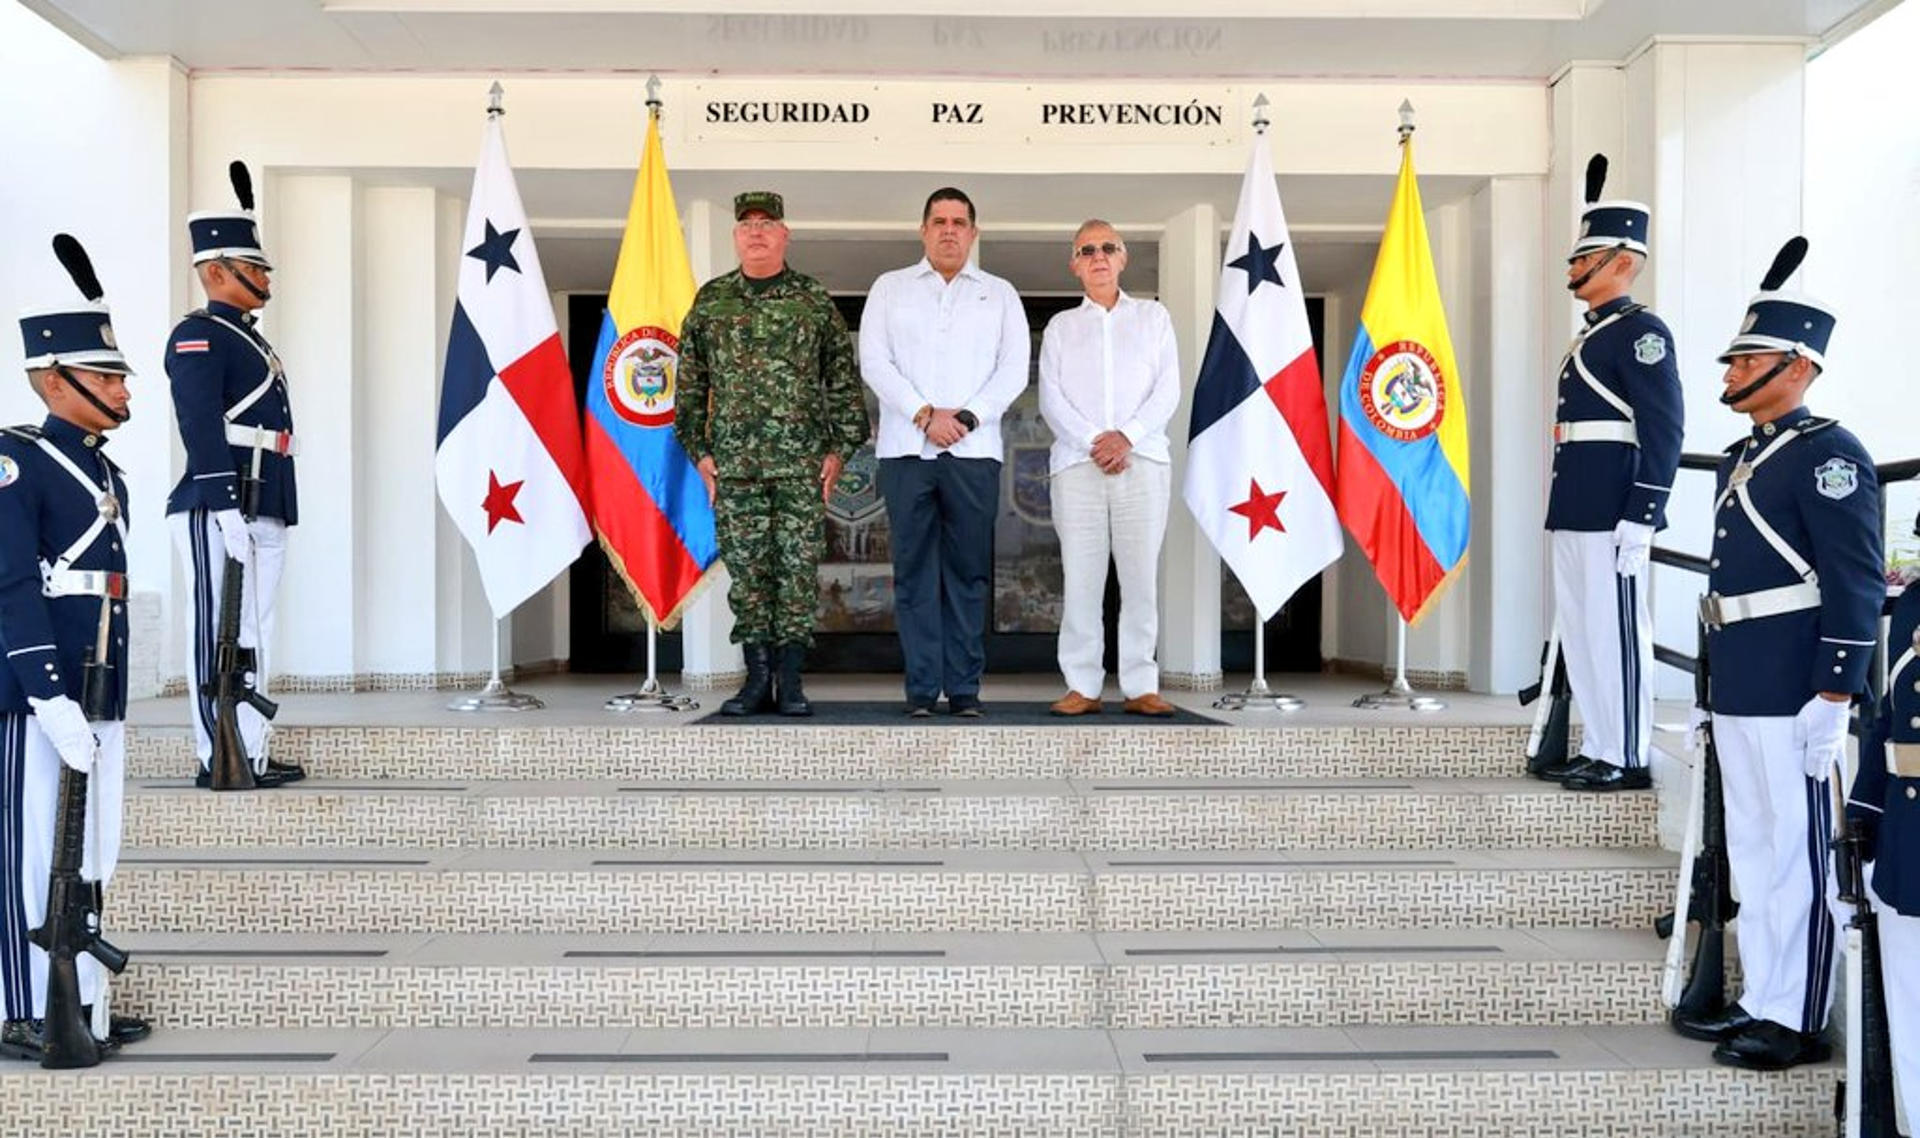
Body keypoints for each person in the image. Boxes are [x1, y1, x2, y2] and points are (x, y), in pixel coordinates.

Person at [1671, 236, 1882, 1071]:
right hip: (1745, 683)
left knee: (1795, 857)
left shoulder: (1829, 454)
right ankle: (1762, 996)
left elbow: (1855, 581)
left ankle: (1794, 1020)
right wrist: (1709, 689)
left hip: (1797, 686)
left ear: (1795, 367)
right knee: (1756, 852)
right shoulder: (1749, 454)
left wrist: (1833, 697)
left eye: (1744, 361)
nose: (1727, 376)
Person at [1, 235, 149, 1061]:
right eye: (109, 376)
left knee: (93, 851)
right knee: (32, 859)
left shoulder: (104, 471)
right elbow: (13, 586)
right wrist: (48, 696)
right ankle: (26, 1010)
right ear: (57, 380)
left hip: (101, 688)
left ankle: (84, 1005)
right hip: (42, 696)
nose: (125, 388)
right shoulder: (16, 461)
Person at [674, 190, 869, 717]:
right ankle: (757, 680)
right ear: (736, 237)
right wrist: (700, 452)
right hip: (736, 470)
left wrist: (838, 449)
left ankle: (792, 681)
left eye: (767, 223)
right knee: (750, 576)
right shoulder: (711, 302)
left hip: (800, 467)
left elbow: (843, 382)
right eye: (747, 225)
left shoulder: (811, 300)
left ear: (785, 235)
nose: (756, 232)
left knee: (797, 575)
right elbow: (689, 386)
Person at [1537, 155, 1683, 793]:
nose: (1572, 269)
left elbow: (1664, 425)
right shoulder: (1594, 336)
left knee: (1617, 631)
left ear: (1621, 262)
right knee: (1584, 627)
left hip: (1614, 505)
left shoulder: (1640, 332)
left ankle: (1625, 753)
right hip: (1577, 500)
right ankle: (1600, 744)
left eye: (1584, 258)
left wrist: (1643, 512)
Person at [859, 187, 1029, 717]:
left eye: (959, 222)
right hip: (906, 453)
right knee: (912, 573)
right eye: (939, 221)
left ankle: (963, 690)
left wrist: (968, 419)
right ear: (923, 230)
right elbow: (875, 363)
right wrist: (924, 415)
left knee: (967, 575)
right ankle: (920, 691)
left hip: (973, 455)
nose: (949, 230)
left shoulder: (1000, 293)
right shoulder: (889, 289)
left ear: (973, 232)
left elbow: (1013, 369)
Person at [166, 161, 303, 788]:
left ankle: (250, 751)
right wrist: (224, 508)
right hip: (219, 502)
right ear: (217, 272)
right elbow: (199, 425)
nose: (266, 277)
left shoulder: (247, 339)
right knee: (216, 635)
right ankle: (214, 756)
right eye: (254, 267)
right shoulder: (199, 337)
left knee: (252, 633)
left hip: (262, 495)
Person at [1036, 220, 1179, 718]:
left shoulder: (1154, 319)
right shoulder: (1059, 328)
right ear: (1075, 263)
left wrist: (1127, 437)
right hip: (1078, 467)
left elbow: (1168, 390)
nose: (1098, 256)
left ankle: (1141, 684)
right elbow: (1051, 399)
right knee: (1082, 579)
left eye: (1108, 248)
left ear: (1123, 259)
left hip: (1141, 463)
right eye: (1087, 249)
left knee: (1140, 579)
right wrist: (1096, 442)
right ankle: (1083, 684)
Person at [1850, 512, 1919, 1131]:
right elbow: (1890, 717)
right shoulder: (1914, 605)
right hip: (1904, 844)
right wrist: (1862, 813)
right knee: (1909, 1014)